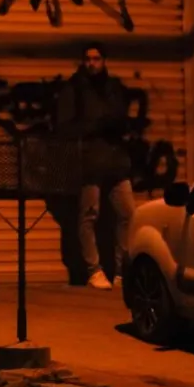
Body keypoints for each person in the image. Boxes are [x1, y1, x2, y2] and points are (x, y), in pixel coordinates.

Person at [55, 42, 136, 291]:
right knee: (89, 215)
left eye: (96, 58)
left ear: (104, 60)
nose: (92, 63)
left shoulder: (113, 88)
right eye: (88, 59)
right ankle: (94, 270)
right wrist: (97, 125)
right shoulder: (74, 89)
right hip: (89, 163)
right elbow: (64, 127)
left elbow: (123, 120)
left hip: (116, 162)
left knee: (128, 214)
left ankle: (122, 271)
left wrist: (117, 124)